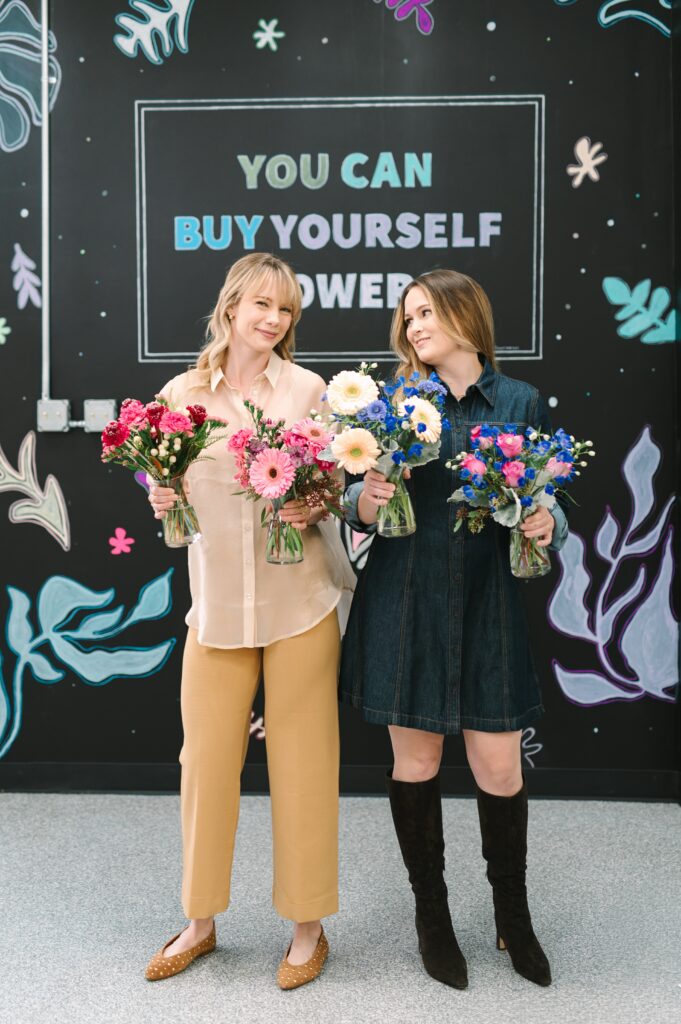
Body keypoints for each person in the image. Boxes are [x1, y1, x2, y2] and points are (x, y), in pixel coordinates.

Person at [340, 269, 569, 990]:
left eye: (426, 313)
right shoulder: (392, 406)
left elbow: (549, 497)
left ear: (466, 315)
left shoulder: (518, 401)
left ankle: (513, 916)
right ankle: (431, 918)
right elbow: (351, 501)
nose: (414, 327)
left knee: (499, 768)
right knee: (416, 763)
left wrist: (547, 520)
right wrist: (367, 496)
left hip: (488, 601)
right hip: (405, 598)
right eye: (407, 317)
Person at [144, 252, 354, 989]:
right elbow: (166, 484)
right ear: (231, 306)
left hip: (301, 603)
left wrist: (317, 502)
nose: (273, 318)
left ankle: (307, 928)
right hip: (216, 609)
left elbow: (334, 485)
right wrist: (161, 498)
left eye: (286, 309)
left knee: (304, 764)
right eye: (262, 303)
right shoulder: (180, 394)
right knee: (203, 766)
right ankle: (199, 922)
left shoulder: (308, 390)